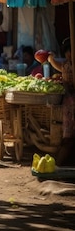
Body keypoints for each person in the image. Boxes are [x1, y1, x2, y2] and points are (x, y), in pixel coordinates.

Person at [47, 37, 74, 166]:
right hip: (69, 103)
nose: (69, 55)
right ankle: (59, 164)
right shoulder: (67, 65)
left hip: (70, 103)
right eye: (67, 53)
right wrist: (51, 59)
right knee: (67, 136)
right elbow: (58, 66)